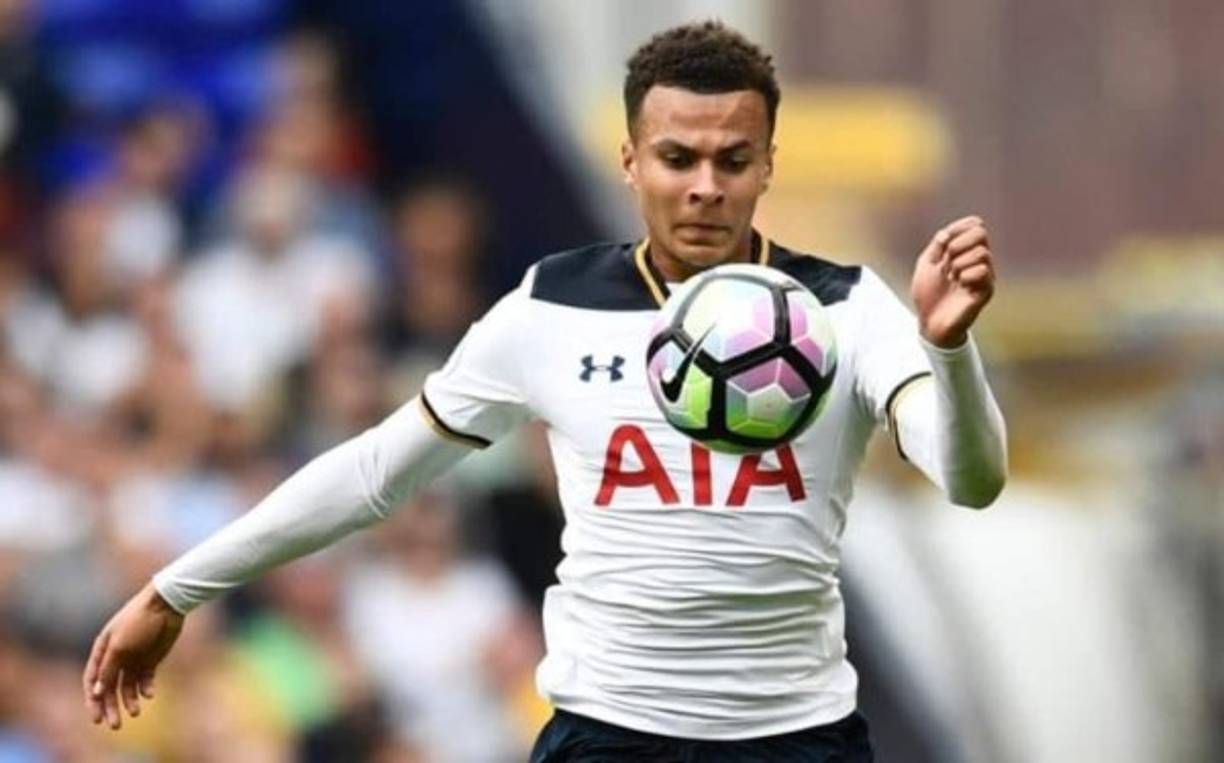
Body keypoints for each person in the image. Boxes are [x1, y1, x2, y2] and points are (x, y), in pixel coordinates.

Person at [83, 21, 1006, 762]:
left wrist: (950, 347)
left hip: (793, 735)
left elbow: (971, 480)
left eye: (734, 160)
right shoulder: (551, 305)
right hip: (607, 733)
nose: (705, 187)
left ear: (768, 164)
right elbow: (377, 472)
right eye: (677, 158)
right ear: (630, 162)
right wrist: (175, 589)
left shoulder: (845, 304)